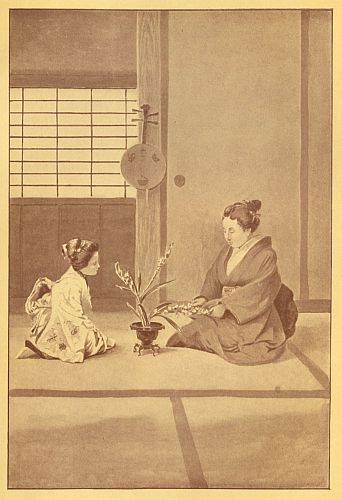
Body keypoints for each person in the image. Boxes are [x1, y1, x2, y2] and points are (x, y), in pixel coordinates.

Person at [166, 200, 297, 365]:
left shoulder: (266, 255)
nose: (227, 236)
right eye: (224, 230)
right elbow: (213, 277)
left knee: (220, 340)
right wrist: (204, 297)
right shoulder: (227, 251)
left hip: (251, 318)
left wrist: (227, 305)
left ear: (248, 230)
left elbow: (259, 291)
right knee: (185, 333)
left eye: (232, 231)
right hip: (223, 309)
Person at [16, 238, 116, 363]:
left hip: (60, 324)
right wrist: (89, 326)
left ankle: (43, 347)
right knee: (96, 342)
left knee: (97, 337)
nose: (98, 266)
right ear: (82, 264)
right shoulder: (72, 283)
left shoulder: (74, 277)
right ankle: (48, 350)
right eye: (94, 263)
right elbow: (75, 315)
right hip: (67, 324)